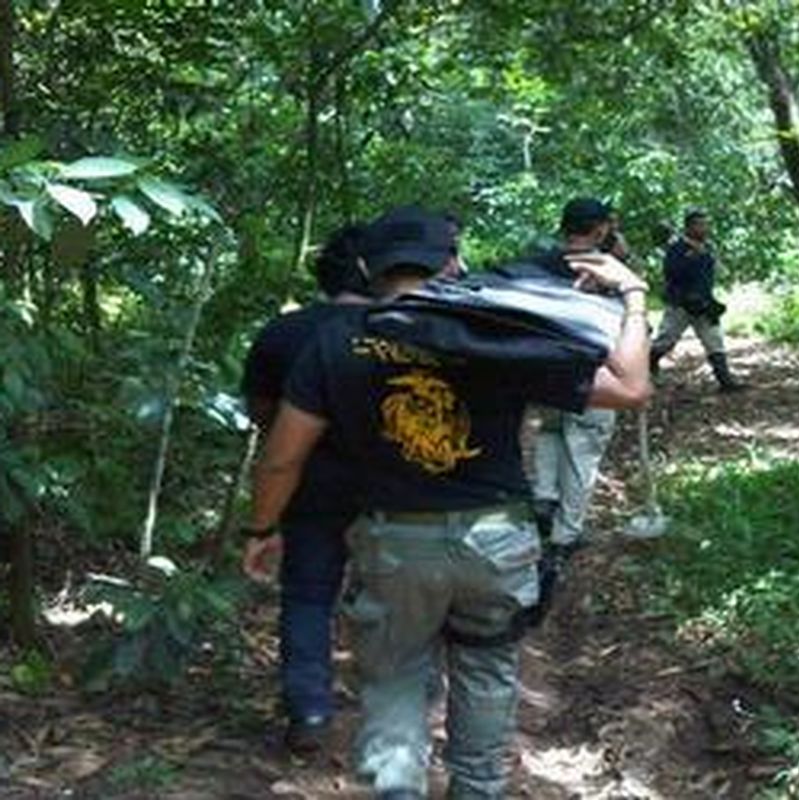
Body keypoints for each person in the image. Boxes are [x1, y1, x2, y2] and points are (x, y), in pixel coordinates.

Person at [241, 206, 652, 800]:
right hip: (497, 539)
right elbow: (632, 387)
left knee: (393, 675)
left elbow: (282, 456)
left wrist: (262, 528)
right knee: (486, 672)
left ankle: (398, 788)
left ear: (366, 267)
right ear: (452, 262)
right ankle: (478, 790)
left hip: (395, 543)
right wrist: (633, 298)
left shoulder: (336, 341)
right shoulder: (495, 327)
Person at [240, 223, 372, 754]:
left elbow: (261, 413)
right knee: (393, 593)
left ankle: (309, 708)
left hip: (307, 483)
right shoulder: (407, 329)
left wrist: (262, 521)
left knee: (309, 594)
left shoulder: (284, 332)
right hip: (391, 485)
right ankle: (399, 707)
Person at [503, 197, 623, 558]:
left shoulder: (535, 267)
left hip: (546, 374)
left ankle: (544, 501)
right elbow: (628, 321)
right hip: (592, 376)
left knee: (551, 434)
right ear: (600, 229)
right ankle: (565, 536)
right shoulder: (609, 270)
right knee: (582, 452)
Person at [650, 209, 746, 392]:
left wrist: (704, 257)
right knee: (666, 340)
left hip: (704, 304)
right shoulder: (676, 249)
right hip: (680, 304)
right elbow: (671, 273)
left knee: (714, 340)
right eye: (700, 224)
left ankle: (725, 381)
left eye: (706, 224)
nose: (704, 228)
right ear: (689, 227)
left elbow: (710, 274)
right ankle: (649, 363)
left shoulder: (707, 248)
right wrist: (692, 258)